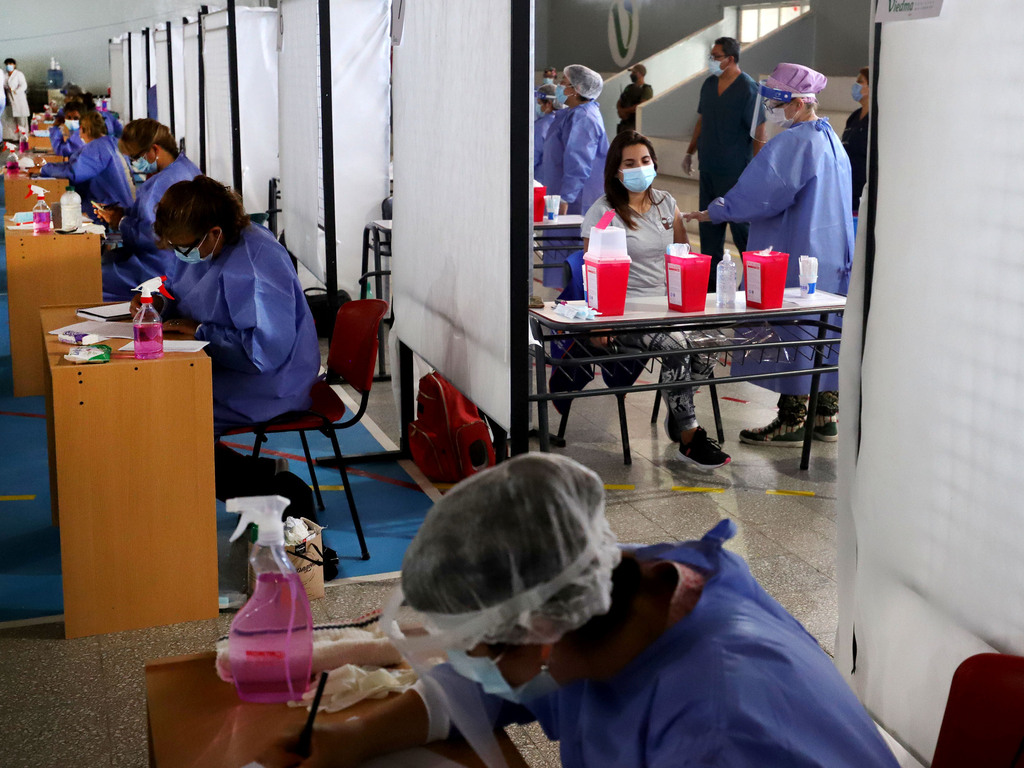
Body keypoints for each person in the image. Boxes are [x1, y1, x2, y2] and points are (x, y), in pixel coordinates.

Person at [261, 454, 900, 768]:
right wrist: (350, 738)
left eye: (473, 651)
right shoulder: (612, 589)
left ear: (540, 640)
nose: (462, 666)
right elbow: (485, 690)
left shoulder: (719, 735)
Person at [684, 63, 853, 445]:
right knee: (824, 332)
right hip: (830, 258)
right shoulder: (830, 138)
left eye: (775, 103)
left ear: (797, 103)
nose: (771, 111)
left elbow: (761, 194)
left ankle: (792, 419)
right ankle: (825, 414)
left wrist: (716, 211)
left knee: (793, 333)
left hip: (797, 255)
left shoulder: (794, 143)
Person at [149, 176, 322, 511]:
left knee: (173, 418)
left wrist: (201, 332)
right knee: (160, 407)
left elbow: (264, 350)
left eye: (184, 247)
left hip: (270, 379)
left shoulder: (255, 262)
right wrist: (159, 304)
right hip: (225, 364)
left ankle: (281, 497)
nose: (181, 254)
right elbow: (182, 291)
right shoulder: (205, 246)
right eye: (175, 247)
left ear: (215, 232)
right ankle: (260, 476)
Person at [581, 131, 729, 469]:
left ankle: (679, 413)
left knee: (712, 341)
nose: (639, 168)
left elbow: (682, 255)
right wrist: (599, 321)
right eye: (630, 163)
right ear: (616, 171)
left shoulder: (665, 202)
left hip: (669, 305)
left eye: (645, 160)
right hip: (626, 313)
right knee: (676, 346)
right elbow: (592, 273)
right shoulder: (603, 212)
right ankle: (689, 437)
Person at [682, 38, 763, 288]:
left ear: (731, 59)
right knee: (709, 234)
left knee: (743, 235)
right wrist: (690, 151)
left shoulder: (748, 89)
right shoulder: (709, 84)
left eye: (716, 56)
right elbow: (702, 120)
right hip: (709, 169)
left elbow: (759, 132)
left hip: (736, 174)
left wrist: (758, 172)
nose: (712, 60)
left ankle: (754, 287)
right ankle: (710, 291)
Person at [93, 119, 201, 301]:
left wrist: (121, 222)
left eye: (136, 157)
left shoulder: (166, 183)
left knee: (91, 279)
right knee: (104, 263)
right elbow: (150, 215)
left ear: (155, 149)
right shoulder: (184, 167)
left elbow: (156, 236)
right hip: (171, 263)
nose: (135, 163)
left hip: (163, 268)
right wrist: (123, 213)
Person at [538, 64, 608, 217]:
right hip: (562, 193)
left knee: (572, 231)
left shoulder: (584, 118)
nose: (559, 85)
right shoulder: (571, 114)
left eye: (564, 81)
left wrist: (566, 198)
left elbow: (579, 162)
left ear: (576, 89)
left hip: (577, 200)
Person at [37, 111, 135, 214]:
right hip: (124, 204)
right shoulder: (113, 142)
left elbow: (74, 173)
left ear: (81, 129)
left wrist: (43, 170)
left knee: (63, 210)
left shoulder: (97, 147)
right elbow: (74, 165)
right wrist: (46, 167)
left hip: (111, 209)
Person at [842, 67, 870, 217]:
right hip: (848, 186)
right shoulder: (854, 116)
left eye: (860, 82)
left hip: (864, 189)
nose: (856, 85)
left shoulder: (876, 119)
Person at [533, 84, 564, 176]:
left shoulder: (541, 127)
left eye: (539, 103)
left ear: (549, 104)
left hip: (542, 178)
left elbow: (532, 158)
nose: (538, 106)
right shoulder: (566, 121)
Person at [615, 63, 653, 134]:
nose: (631, 74)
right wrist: (620, 110)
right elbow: (620, 101)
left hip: (636, 125)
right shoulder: (629, 87)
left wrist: (625, 111)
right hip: (624, 124)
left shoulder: (646, 89)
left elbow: (640, 106)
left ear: (641, 74)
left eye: (634, 72)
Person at [4, 58, 29, 135]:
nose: (9, 66)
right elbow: (4, 85)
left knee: (21, 120)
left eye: (10, 64)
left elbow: (24, 85)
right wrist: (7, 88)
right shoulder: (5, 75)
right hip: (10, 99)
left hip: (19, 99)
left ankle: (23, 137)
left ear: (14, 65)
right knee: (11, 120)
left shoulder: (18, 74)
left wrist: (15, 91)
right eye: (7, 64)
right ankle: (14, 138)